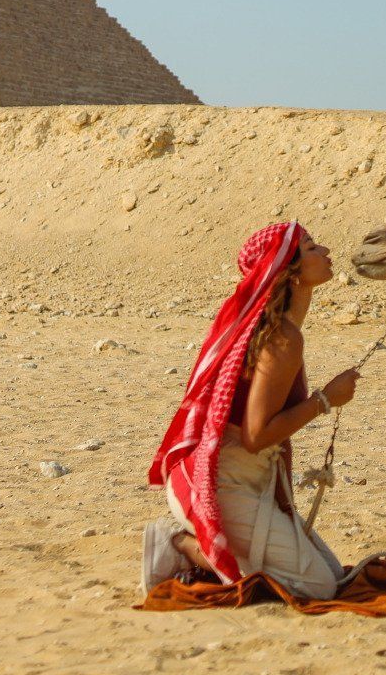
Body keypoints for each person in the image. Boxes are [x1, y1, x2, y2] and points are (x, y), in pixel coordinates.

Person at [142, 222, 361, 598]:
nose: (325, 251)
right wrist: (326, 399)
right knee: (318, 587)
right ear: (289, 271)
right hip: (222, 485)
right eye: (311, 248)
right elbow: (256, 435)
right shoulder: (281, 338)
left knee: (331, 573)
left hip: (248, 480)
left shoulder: (281, 330)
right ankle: (181, 545)